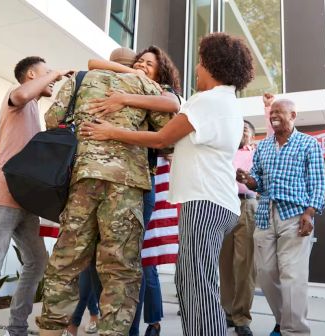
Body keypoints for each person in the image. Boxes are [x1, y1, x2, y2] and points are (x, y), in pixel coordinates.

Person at [79, 32, 255, 336]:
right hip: (215, 203)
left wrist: (110, 132)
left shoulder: (207, 101)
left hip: (205, 203)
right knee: (187, 282)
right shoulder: (225, 103)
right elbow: (180, 143)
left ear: (213, 65)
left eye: (200, 63)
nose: (196, 70)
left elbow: (162, 138)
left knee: (198, 286)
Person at [36, 47, 178, 336]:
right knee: (120, 268)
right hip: (127, 186)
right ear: (133, 64)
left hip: (83, 179)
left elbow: (53, 120)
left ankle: (50, 330)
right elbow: (167, 139)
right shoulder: (147, 87)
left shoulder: (81, 79)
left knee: (66, 261)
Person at [87, 46, 182, 336]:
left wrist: (125, 97)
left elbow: (173, 104)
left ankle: (133, 329)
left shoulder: (159, 91)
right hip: (108, 181)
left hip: (141, 184)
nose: (141, 66)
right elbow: (93, 62)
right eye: (139, 61)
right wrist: (132, 79)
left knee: (132, 263)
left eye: (149, 64)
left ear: (161, 71)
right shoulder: (121, 81)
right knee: (105, 259)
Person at [0, 57, 72, 336]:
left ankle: (16, 328)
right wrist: (57, 71)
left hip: (25, 201)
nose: (52, 79)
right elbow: (21, 93)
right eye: (45, 73)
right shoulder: (16, 96)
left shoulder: (34, 110)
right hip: (0, 195)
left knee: (37, 261)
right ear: (32, 74)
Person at [236, 99, 325, 336]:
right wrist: (248, 179)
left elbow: (317, 183)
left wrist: (310, 213)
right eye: (272, 112)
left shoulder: (309, 144)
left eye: (280, 112)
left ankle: (294, 332)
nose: (274, 115)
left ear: (293, 115)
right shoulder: (264, 146)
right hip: (265, 214)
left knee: (292, 276)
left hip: (295, 216)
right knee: (266, 274)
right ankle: (283, 320)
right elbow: (258, 181)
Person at [219, 120, 258, 336]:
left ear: (252, 135)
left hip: (248, 204)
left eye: (246, 129)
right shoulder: (225, 152)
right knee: (225, 262)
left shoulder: (256, 152)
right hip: (224, 205)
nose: (241, 133)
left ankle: (242, 317)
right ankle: (227, 311)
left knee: (245, 264)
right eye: (238, 128)